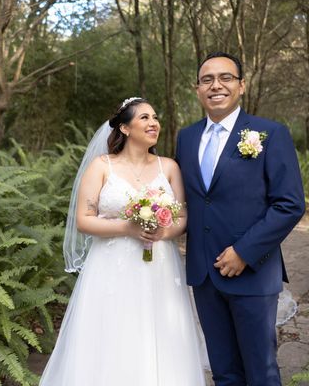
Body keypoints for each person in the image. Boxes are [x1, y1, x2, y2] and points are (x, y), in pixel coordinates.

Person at [40, 97, 208, 386]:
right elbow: (84, 219)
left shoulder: (168, 167)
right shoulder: (101, 166)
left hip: (160, 265)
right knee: (112, 333)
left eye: (155, 117)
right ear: (124, 127)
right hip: (110, 267)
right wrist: (128, 228)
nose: (153, 123)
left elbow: (181, 219)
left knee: (161, 333)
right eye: (144, 117)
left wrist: (162, 232)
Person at [175, 52, 305, 386]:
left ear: (242, 85)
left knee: (261, 371)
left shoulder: (269, 134)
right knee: (224, 372)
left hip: (253, 272)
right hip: (204, 274)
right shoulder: (186, 139)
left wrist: (244, 252)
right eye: (207, 80)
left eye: (225, 78)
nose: (215, 85)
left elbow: (289, 204)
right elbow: (188, 201)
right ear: (197, 89)